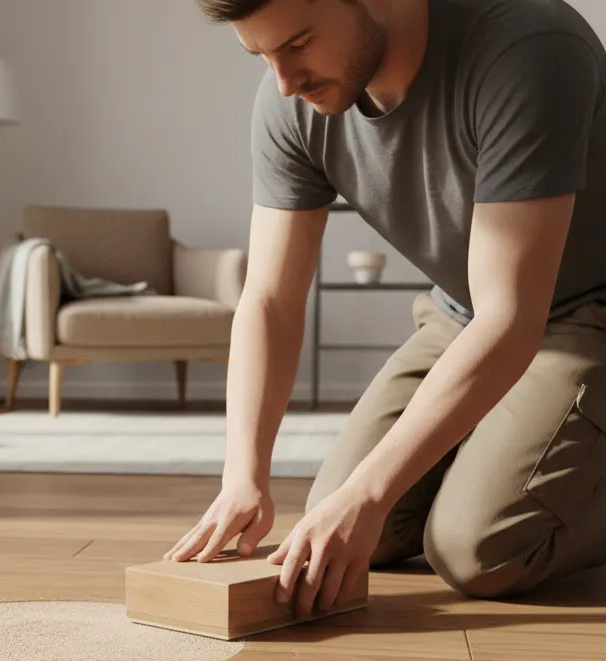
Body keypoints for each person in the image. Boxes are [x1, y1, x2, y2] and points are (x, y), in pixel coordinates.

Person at [166, 0, 606, 620]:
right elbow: (270, 300)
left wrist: (369, 495)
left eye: (298, 43)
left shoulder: (529, 48)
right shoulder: (292, 103)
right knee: (349, 526)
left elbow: (510, 317)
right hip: (464, 313)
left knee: (478, 550)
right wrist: (244, 475)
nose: (284, 81)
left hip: (586, 313)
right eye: (261, 55)